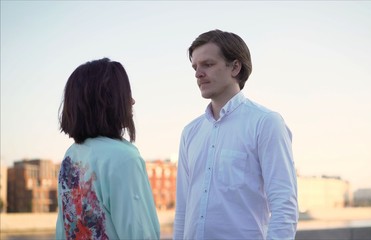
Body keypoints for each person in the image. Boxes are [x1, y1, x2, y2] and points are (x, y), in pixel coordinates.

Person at [173, 30, 299, 240]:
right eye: (195, 67)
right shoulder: (190, 132)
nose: (198, 73)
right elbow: (183, 209)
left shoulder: (266, 123)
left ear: (235, 67)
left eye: (208, 64)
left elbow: (284, 206)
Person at [56, 58, 160, 239]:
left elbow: (63, 230)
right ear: (108, 101)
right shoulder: (124, 158)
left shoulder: (71, 156)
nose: (132, 101)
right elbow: (139, 233)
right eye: (125, 94)